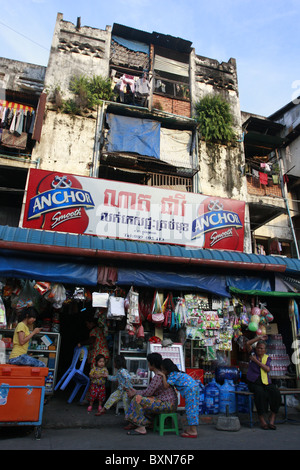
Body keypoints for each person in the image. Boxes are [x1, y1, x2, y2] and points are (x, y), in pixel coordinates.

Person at [125, 352, 178, 435]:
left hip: (167, 404)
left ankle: (141, 427)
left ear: (152, 364)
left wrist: (135, 393)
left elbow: (148, 393)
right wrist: (135, 392)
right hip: (168, 403)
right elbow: (149, 392)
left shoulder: (158, 376)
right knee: (141, 399)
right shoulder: (161, 374)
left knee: (137, 399)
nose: (148, 364)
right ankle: (148, 423)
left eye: (148, 362)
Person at [246, 335, 281, 430]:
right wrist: (259, 338)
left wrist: (256, 361)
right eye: (258, 347)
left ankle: (272, 416)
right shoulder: (252, 353)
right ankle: (262, 419)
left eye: (261, 348)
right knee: (259, 393)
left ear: (265, 350)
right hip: (254, 382)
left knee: (276, 393)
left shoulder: (267, 358)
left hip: (265, 382)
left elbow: (267, 369)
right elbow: (247, 343)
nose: (259, 350)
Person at [159, 358, 199, 438]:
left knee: (191, 409)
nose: (162, 371)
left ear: (167, 369)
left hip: (190, 389)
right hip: (193, 387)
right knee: (192, 408)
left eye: (163, 370)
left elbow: (166, 386)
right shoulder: (177, 373)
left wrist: (163, 376)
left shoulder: (172, 375)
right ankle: (191, 429)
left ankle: (193, 431)